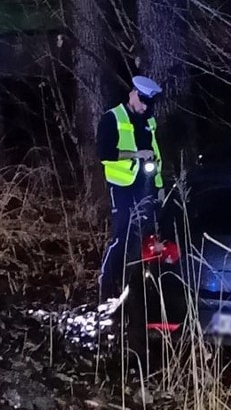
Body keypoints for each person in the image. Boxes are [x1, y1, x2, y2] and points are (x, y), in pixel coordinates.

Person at [96, 75, 165, 303]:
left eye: (149, 104)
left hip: (145, 186)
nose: (145, 107)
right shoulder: (112, 118)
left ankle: (139, 284)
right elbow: (104, 154)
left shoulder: (148, 120)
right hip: (122, 187)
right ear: (133, 94)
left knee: (147, 234)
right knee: (121, 236)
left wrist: (159, 185)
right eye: (142, 101)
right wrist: (136, 155)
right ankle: (106, 284)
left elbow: (156, 155)